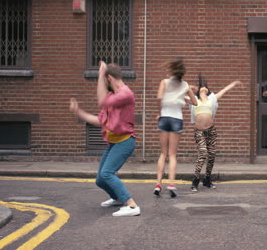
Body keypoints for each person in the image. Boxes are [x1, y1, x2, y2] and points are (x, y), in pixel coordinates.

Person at [69, 61, 140, 216]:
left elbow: (101, 101)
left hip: (125, 141)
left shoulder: (125, 94)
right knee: (100, 180)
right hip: (114, 143)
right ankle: (117, 198)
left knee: (107, 173)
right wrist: (78, 112)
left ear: (109, 78)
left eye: (103, 80)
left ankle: (132, 205)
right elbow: (100, 120)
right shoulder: (113, 96)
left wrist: (100, 74)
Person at [186, 76, 243, 191]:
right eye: (203, 87)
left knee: (211, 155)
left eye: (206, 88)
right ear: (198, 90)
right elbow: (180, 93)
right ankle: (195, 180)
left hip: (211, 130)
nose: (205, 88)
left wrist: (234, 83)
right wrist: (189, 87)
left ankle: (207, 179)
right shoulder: (193, 100)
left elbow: (224, 90)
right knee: (203, 153)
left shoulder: (212, 99)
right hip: (199, 131)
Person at [154, 58, 197, 198]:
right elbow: (195, 102)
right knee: (172, 155)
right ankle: (171, 184)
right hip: (177, 119)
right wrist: (184, 97)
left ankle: (158, 184)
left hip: (165, 117)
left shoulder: (164, 82)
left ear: (171, 71)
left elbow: (159, 97)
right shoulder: (185, 85)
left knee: (163, 153)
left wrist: (159, 113)